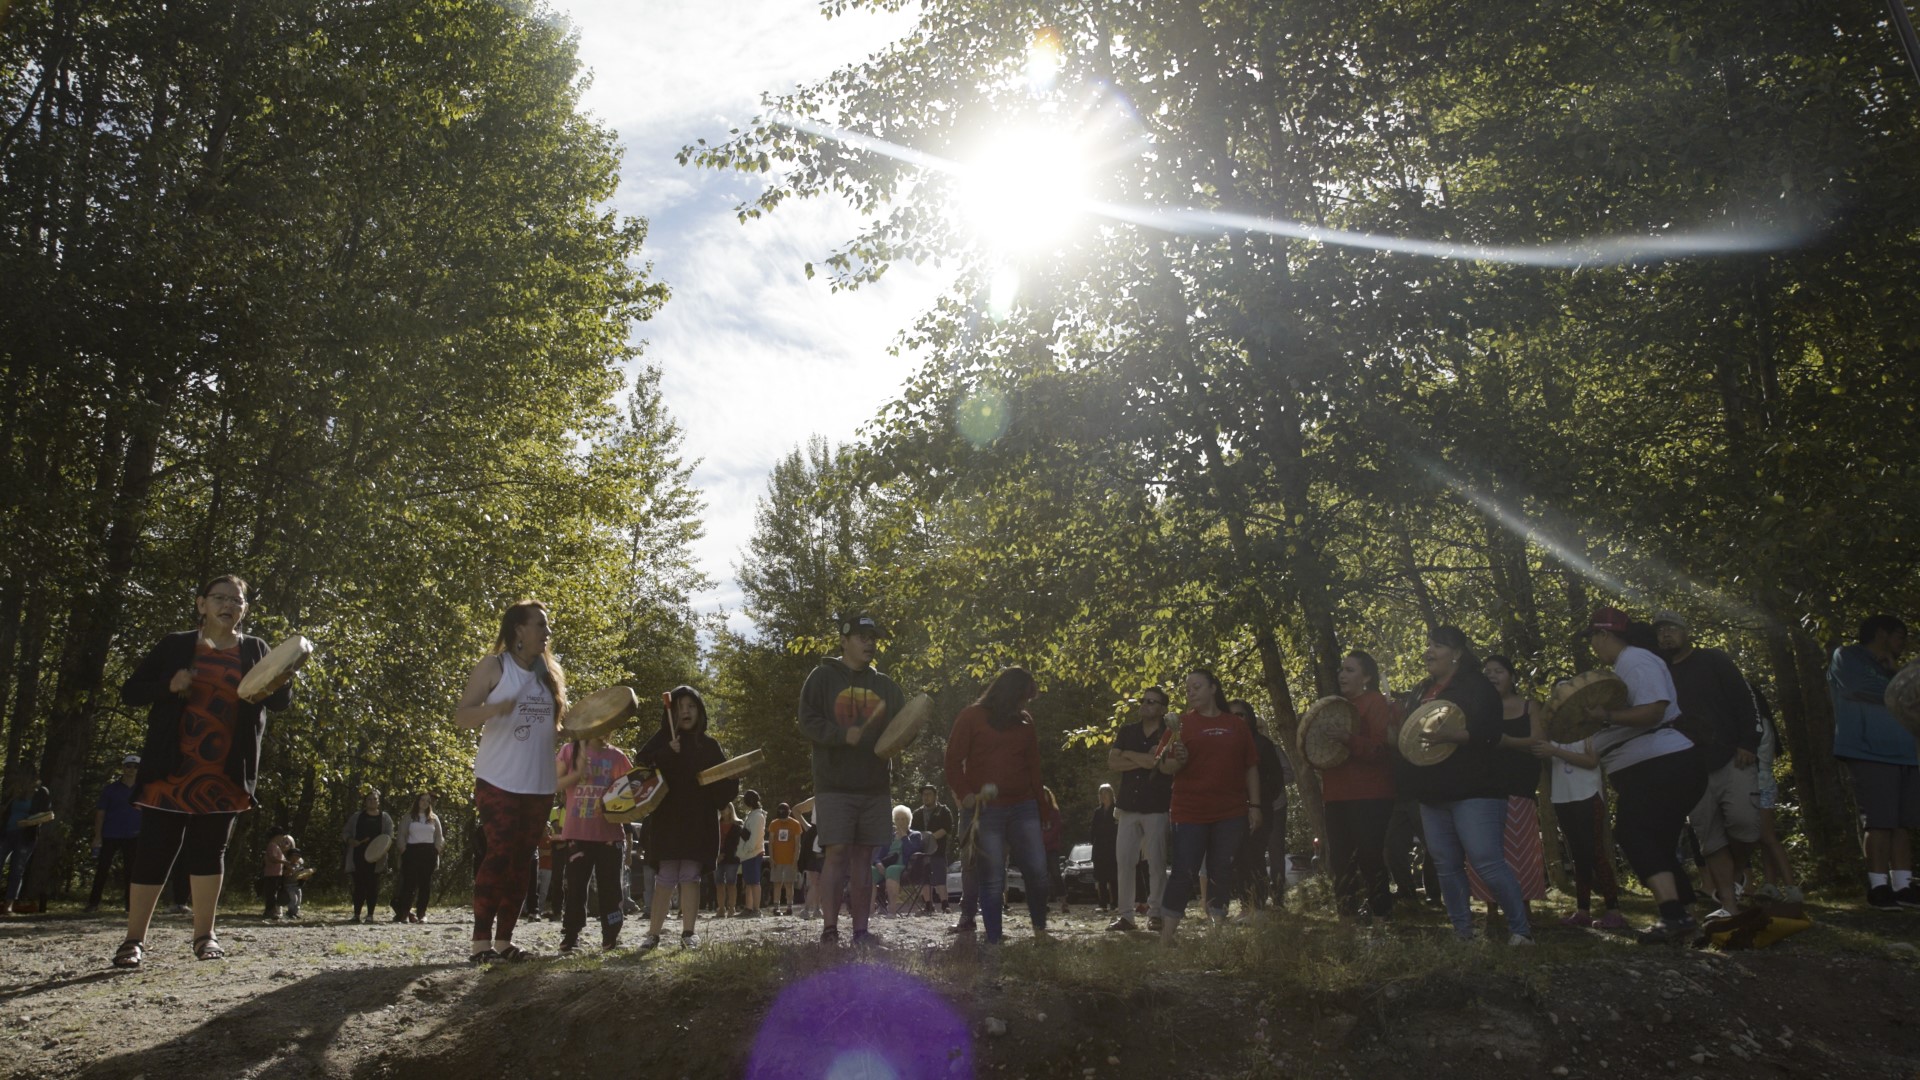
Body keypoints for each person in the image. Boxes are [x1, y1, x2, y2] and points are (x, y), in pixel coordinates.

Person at [112, 574, 295, 968]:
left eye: (237, 600)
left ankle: (204, 936)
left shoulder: (255, 648)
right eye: (220, 598)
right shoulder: (176, 645)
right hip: (170, 768)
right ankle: (133, 941)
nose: (229, 605)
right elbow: (131, 691)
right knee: (154, 851)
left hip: (225, 770)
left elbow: (278, 702)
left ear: (245, 609)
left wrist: (284, 672)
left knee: (210, 852)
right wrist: (168, 685)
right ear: (201, 604)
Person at [1581, 607, 1710, 943]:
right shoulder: (1628, 664)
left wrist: (1605, 715)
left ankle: (1673, 917)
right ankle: (1687, 922)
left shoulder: (1635, 660)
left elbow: (1655, 710)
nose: (1593, 646)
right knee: (1659, 844)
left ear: (1605, 635)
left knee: (1633, 832)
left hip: (1661, 762)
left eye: (1593, 638)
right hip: (1659, 764)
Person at [1400, 627, 1533, 945]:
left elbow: (1490, 732)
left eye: (1437, 646)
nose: (1429, 651)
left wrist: (1453, 736)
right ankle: (1463, 933)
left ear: (1457, 653)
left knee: (1486, 860)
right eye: (1428, 645)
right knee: (1445, 863)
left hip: (1476, 788)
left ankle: (1521, 931)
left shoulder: (1477, 686)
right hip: (1432, 791)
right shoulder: (1422, 689)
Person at [454, 598, 569, 965]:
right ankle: (480, 942)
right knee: (499, 853)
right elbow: (462, 716)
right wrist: (493, 709)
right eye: (541, 624)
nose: (546, 632)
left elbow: (556, 728)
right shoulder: (494, 666)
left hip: (539, 784)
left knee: (524, 861)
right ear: (519, 629)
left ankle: (505, 941)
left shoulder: (549, 674)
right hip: (498, 779)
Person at [797, 613, 906, 946]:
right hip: (834, 785)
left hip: (874, 786)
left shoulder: (886, 686)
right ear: (844, 640)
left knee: (863, 858)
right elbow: (807, 721)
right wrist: (842, 735)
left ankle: (860, 931)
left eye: (873, 636)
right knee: (837, 853)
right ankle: (830, 929)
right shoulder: (822, 678)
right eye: (862, 636)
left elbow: (902, 729)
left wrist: (897, 742)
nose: (870, 642)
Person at [1653, 611, 1763, 916]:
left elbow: (1745, 700)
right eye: (1661, 631)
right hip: (1689, 767)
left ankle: (1738, 871)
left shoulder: (1713, 660)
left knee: (1745, 824)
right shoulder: (1660, 673)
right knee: (1710, 838)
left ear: (1686, 631)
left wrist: (1748, 742)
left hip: (1732, 757)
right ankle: (1729, 903)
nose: (1666, 635)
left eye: (1672, 628)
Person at [943, 666, 1051, 944]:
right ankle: (994, 938)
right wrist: (965, 793)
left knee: (1038, 871)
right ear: (1010, 694)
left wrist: (1043, 806)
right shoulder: (971, 717)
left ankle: (1040, 930)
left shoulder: (1025, 721)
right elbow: (952, 761)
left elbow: (1034, 767)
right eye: (1023, 698)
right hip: (986, 810)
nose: (1025, 704)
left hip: (1023, 805)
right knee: (991, 878)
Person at [1158, 669, 1260, 946]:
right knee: (1184, 871)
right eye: (1188, 688)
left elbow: (1250, 766)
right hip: (1189, 811)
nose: (1191, 691)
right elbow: (1164, 766)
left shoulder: (1235, 725)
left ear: (1213, 688)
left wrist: (1256, 805)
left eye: (1197, 686)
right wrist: (1177, 761)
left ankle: (1216, 933)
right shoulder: (1179, 725)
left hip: (1230, 812)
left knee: (1221, 870)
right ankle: (1166, 937)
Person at [636, 685, 738, 948]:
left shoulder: (709, 745)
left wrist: (731, 779)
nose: (685, 711)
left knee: (691, 875)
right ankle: (653, 934)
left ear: (700, 710)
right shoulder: (661, 740)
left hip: (698, 821)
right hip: (667, 820)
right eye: (680, 707)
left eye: (691, 706)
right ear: (671, 712)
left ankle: (689, 933)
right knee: (666, 875)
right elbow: (641, 769)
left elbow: (722, 788)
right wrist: (666, 753)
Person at [1829, 614, 1919, 910]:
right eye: (1899, 636)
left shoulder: (1898, 670)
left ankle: (1904, 886)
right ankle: (1879, 887)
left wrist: (1897, 673)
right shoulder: (1848, 656)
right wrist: (1899, 682)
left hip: (1907, 751)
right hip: (1868, 750)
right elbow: (1859, 687)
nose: (1903, 643)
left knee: (1902, 823)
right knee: (1879, 821)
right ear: (1881, 634)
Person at [1317, 651, 1398, 920]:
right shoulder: (1334, 706)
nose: (1342, 674)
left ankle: (1380, 916)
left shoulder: (1375, 702)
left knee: (1369, 856)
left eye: (1350, 670)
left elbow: (1380, 749)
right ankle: (1347, 919)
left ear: (1367, 677)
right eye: (1342, 669)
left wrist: (1348, 738)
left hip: (1370, 794)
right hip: (1336, 794)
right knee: (1341, 860)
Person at [1469, 656, 1548, 926]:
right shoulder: (1478, 709)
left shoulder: (1529, 706)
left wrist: (1508, 742)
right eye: (1487, 672)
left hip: (1520, 784)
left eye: (1498, 671)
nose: (1492, 676)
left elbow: (1539, 742)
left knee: (1520, 847)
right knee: (1487, 847)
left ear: (1511, 676)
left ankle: (1524, 906)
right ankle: (1490, 909)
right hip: (1485, 786)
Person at [1532, 722, 1625, 928]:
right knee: (1578, 854)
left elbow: (1592, 761)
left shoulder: (1588, 730)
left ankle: (1614, 911)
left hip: (1588, 795)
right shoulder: (1552, 731)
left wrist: (1555, 751)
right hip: (1562, 797)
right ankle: (1583, 910)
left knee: (1595, 852)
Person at [1105, 687, 1175, 932]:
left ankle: (1156, 913)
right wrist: (1143, 758)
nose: (1145, 704)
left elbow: (1157, 762)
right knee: (1124, 861)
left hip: (1156, 806)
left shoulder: (1169, 734)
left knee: (1156, 862)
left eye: (1151, 702)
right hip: (1127, 807)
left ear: (1162, 708)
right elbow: (1113, 762)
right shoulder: (1127, 731)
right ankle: (1125, 916)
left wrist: (1129, 755)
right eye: (1143, 700)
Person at [555, 730, 631, 950]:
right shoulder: (570, 751)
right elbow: (553, 783)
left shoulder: (617, 757)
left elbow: (631, 793)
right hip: (577, 833)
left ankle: (611, 936)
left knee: (611, 888)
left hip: (610, 834)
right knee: (575, 887)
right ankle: (571, 935)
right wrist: (576, 772)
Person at [1227, 700, 1291, 915]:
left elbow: (1277, 780)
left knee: (1254, 855)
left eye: (1241, 715)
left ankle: (1259, 902)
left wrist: (1257, 800)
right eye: (1232, 715)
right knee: (1238, 857)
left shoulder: (1263, 745)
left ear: (1250, 718)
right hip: (1232, 810)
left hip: (1260, 809)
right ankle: (1246, 904)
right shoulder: (1224, 744)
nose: (1237, 719)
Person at [87, 755, 143, 913]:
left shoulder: (142, 790)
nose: (131, 769)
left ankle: (130, 906)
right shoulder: (110, 789)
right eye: (128, 766)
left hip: (134, 835)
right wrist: (97, 836)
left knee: (131, 871)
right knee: (102, 868)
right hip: (111, 834)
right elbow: (100, 813)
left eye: (135, 767)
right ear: (123, 767)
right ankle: (93, 903)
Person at [2, 768, 52, 916]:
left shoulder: (41, 792)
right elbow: (5, 810)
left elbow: (46, 813)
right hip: (6, 833)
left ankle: (9, 904)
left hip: (26, 835)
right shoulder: (13, 791)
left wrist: (29, 821)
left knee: (17, 869)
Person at [341, 790, 394, 924]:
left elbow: (389, 836)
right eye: (369, 799)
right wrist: (350, 840)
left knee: (373, 886)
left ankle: (370, 915)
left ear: (378, 801)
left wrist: (381, 849)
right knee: (359, 886)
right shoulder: (357, 817)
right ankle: (356, 914)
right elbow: (346, 832)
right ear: (365, 802)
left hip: (376, 858)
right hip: (358, 855)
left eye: (375, 799)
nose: (372, 802)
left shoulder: (385, 817)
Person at [392, 792, 445, 923]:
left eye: (428, 801)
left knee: (425, 884)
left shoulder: (434, 818)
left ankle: (422, 913)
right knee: (409, 884)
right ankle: (404, 913)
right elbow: (401, 836)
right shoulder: (409, 817)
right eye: (422, 800)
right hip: (411, 852)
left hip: (428, 853)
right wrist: (404, 850)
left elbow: (439, 836)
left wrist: (436, 850)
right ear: (417, 801)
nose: (425, 803)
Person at [875, 804, 926, 915]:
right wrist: (878, 863)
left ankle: (892, 909)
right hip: (886, 866)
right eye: (897, 819)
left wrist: (904, 837)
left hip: (906, 867)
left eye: (903, 819)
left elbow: (912, 851)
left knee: (892, 869)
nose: (900, 822)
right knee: (871, 870)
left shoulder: (915, 835)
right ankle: (869, 911)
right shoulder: (890, 837)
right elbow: (878, 855)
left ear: (908, 820)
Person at [911, 784, 953, 915]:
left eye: (929, 794)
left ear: (936, 796)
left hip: (938, 850)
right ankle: (928, 905)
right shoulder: (917, 813)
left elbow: (946, 829)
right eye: (924, 794)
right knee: (924, 878)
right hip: (921, 852)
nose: (926, 797)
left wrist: (930, 838)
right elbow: (913, 832)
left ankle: (945, 905)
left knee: (940, 878)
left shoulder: (944, 811)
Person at [768, 802, 804, 915]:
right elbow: (771, 842)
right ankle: (776, 907)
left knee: (789, 883)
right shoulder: (774, 824)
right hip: (777, 859)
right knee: (777, 883)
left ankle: (789, 907)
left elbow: (798, 843)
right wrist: (771, 858)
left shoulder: (795, 824)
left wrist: (795, 859)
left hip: (790, 859)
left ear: (789, 813)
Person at [738, 790, 767, 917]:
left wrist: (746, 849)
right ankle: (748, 907)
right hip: (747, 854)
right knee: (748, 881)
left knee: (755, 882)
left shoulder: (758, 817)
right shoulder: (751, 815)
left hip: (754, 853)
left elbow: (755, 836)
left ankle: (756, 909)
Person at [1090, 784, 1118, 912]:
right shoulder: (1097, 812)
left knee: (1114, 878)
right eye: (1101, 794)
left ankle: (1115, 903)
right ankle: (1102, 904)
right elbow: (1093, 830)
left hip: (1113, 848)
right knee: (1101, 878)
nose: (1103, 797)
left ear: (1111, 796)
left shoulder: (1116, 811)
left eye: (1106, 794)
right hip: (1100, 848)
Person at [260, 830, 297, 919]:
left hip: (277, 874)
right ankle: (270, 911)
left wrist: (289, 866)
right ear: (277, 836)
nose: (283, 840)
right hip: (272, 874)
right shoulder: (272, 846)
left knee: (275, 893)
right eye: (282, 837)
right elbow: (272, 858)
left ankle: (274, 911)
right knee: (271, 893)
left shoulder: (276, 847)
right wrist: (284, 862)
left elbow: (283, 859)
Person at [716, 802, 744, 918]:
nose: (723, 810)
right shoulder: (716, 824)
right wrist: (717, 856)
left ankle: (732, 908)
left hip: (732, 859)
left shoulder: (738, 825)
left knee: (731, 883)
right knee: (719, 884)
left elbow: (737, 843)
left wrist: (725, 854)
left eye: (725, 808)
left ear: (730, 809)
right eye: (721, 808)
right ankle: (721, 908)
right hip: (717, 859)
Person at [798, 809, 823, 919]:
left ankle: (815, 909)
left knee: (816, 883)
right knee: (815, 883)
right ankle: (809, 909)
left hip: (814, 842)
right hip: (816, 846)